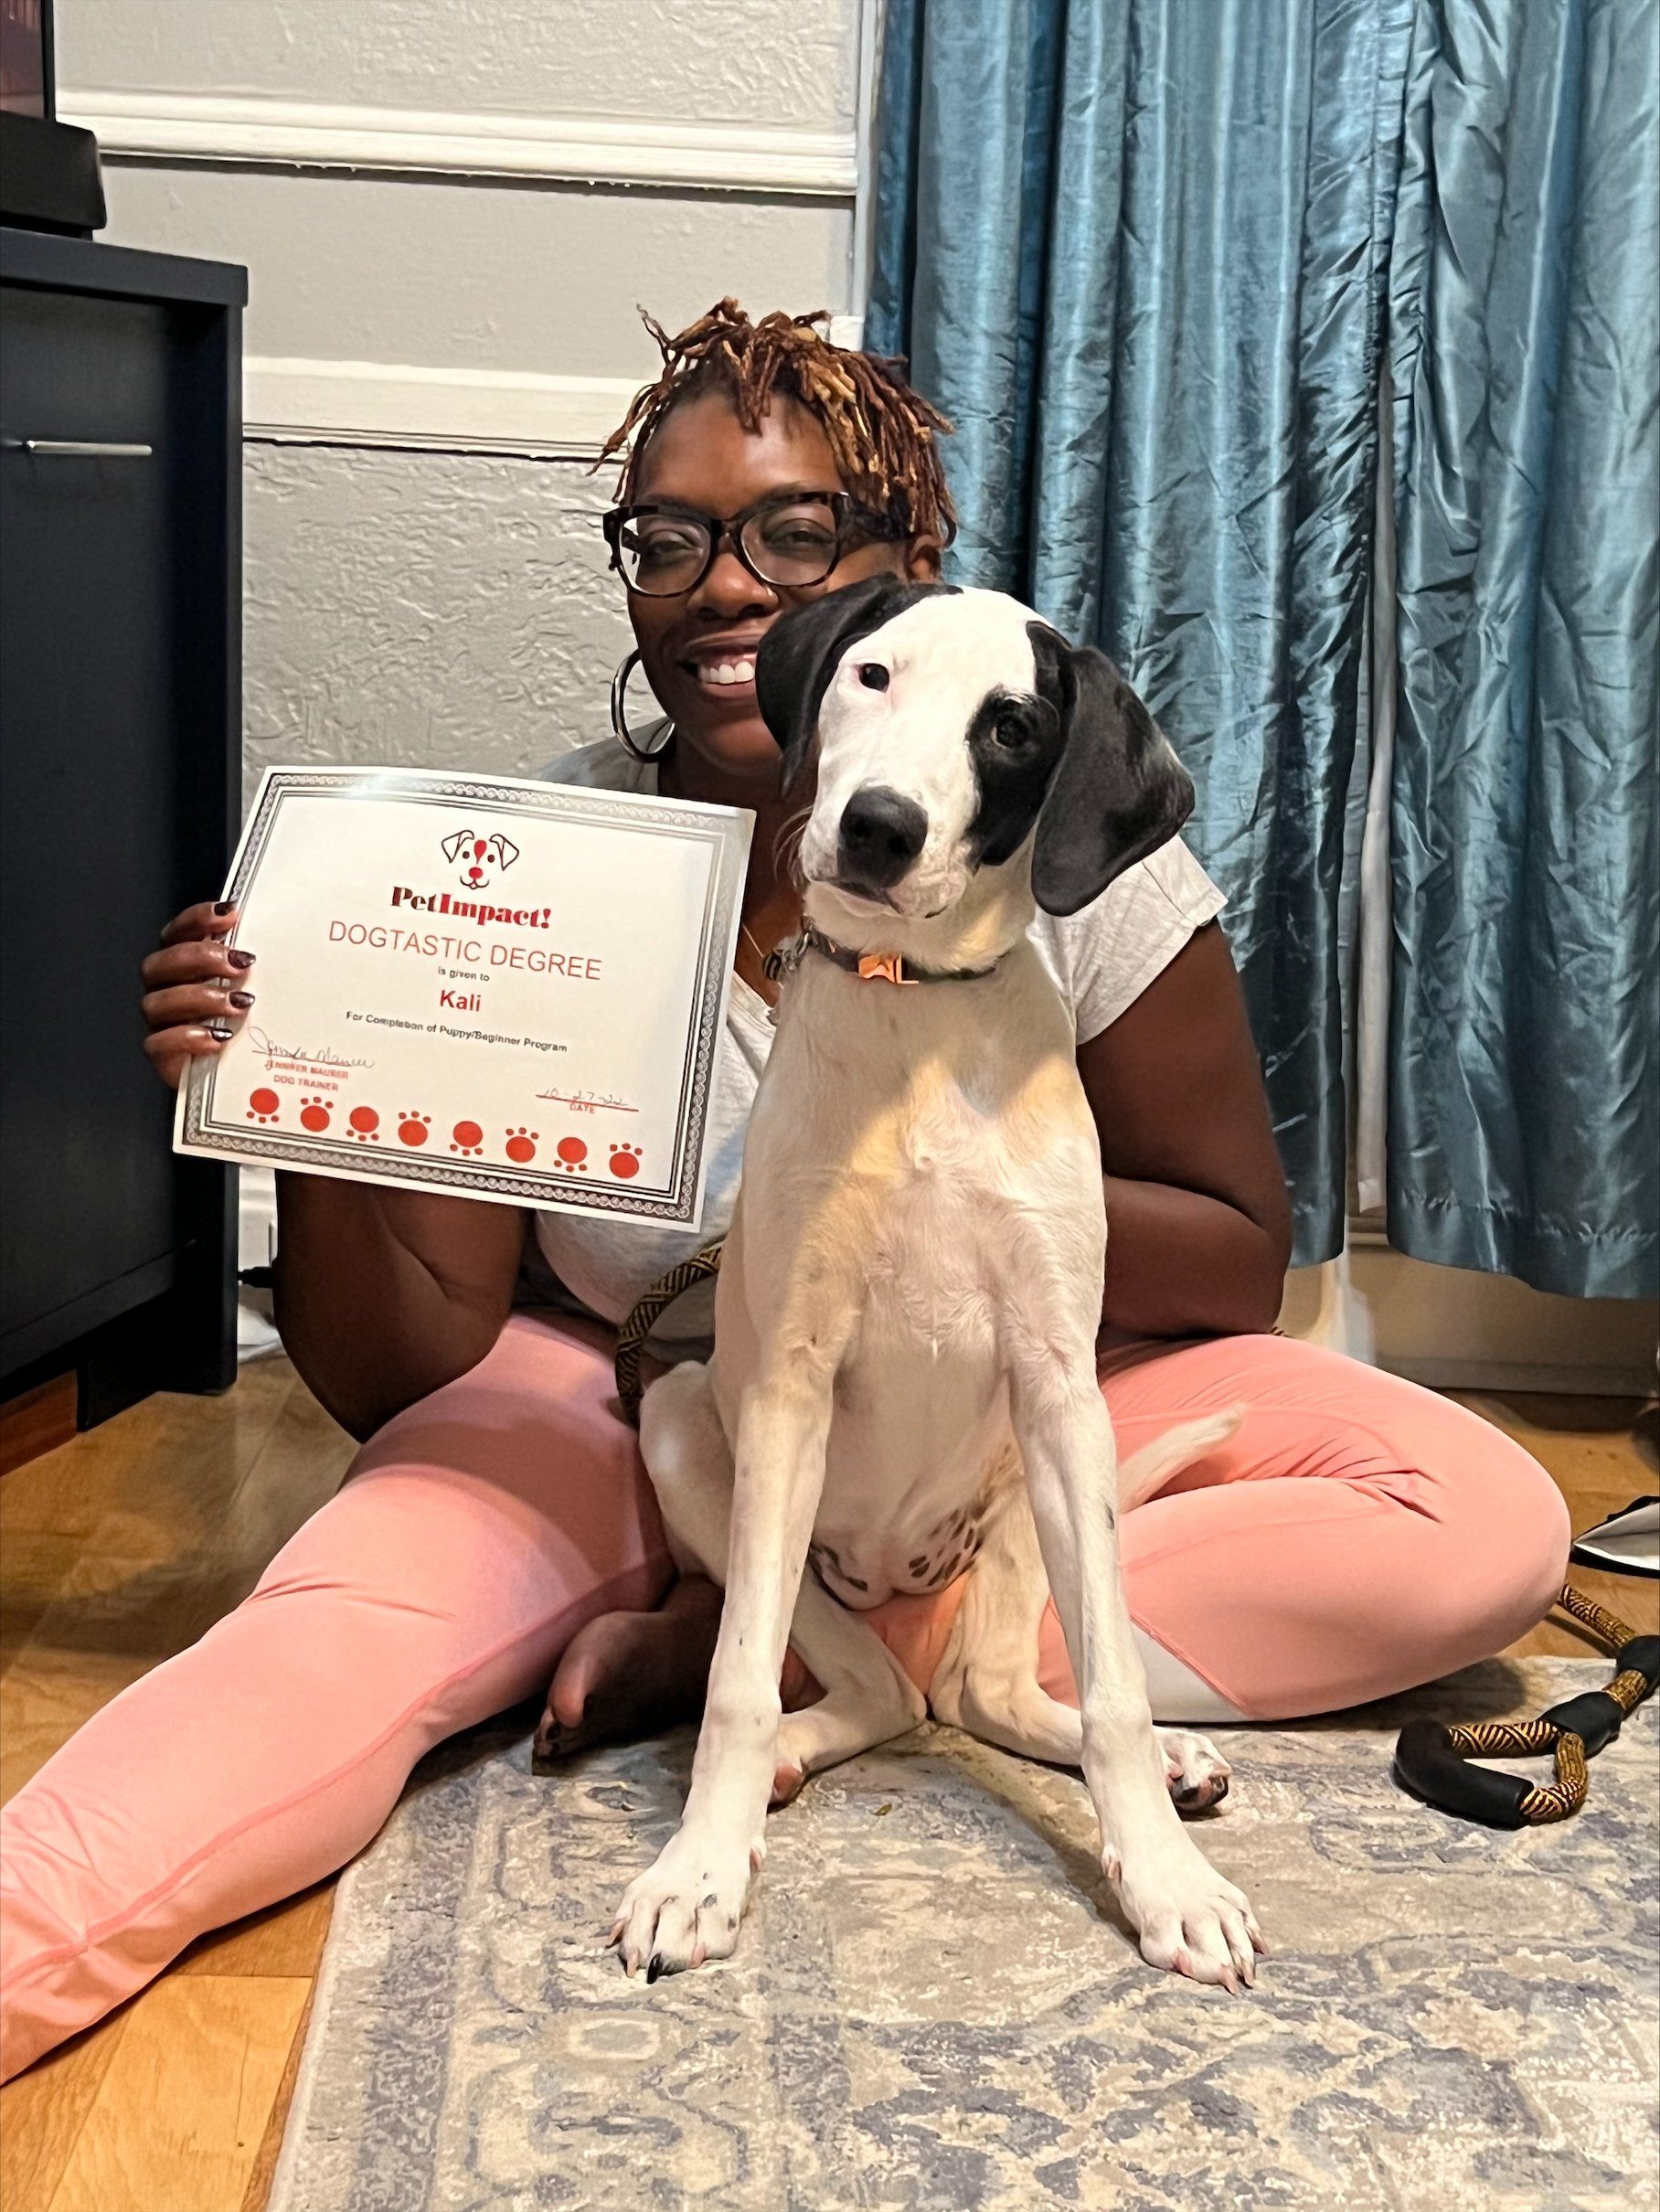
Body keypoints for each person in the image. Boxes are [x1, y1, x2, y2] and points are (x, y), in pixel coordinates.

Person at [0, 303, 1569, 2079]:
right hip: (634, 1398)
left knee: (1475, 1515)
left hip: (1002, 1385)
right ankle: (781, 1637)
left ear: (903, 572)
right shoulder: (526, 877)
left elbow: (1225, 1251)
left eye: (795, 532)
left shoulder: (1057, 829)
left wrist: (946, 1223)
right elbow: (400, 1360)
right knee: (308, 1657)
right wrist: (306, 1088)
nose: (724, 586)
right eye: (665, 537)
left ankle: (872, 1650)